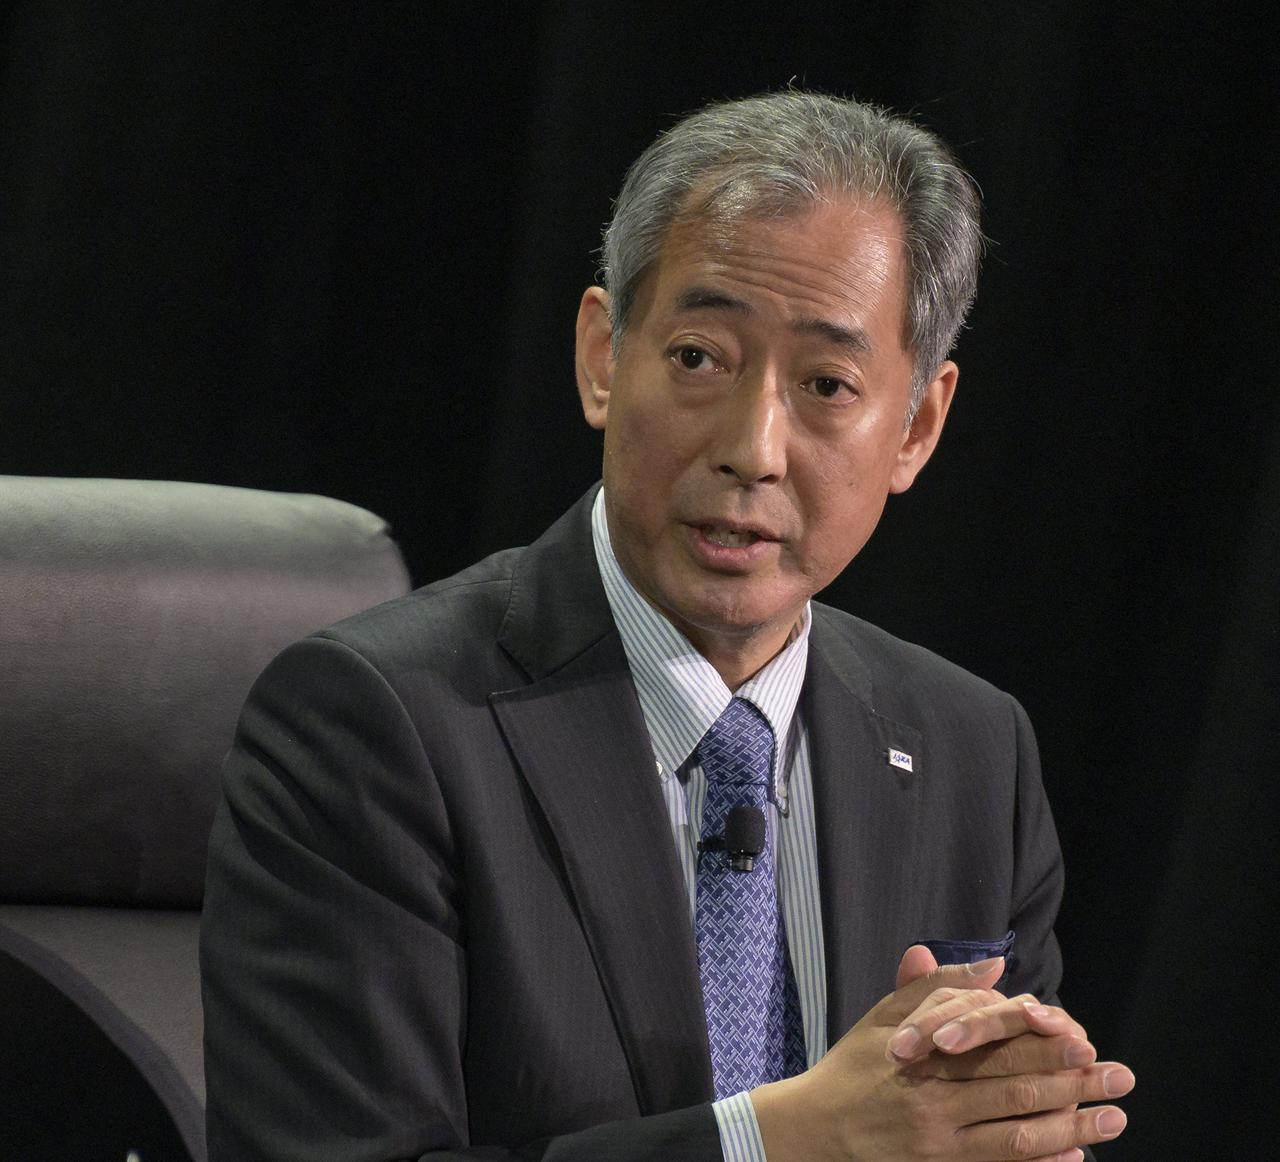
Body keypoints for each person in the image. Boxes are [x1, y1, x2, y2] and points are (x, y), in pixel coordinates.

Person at [201, 91, 1133, 1161]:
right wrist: (771, 1142)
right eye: (699, 358)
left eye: (826, 384)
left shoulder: (974, 752)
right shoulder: (375, 727)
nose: (753, 447)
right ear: (604, 355)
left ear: (915, 426)